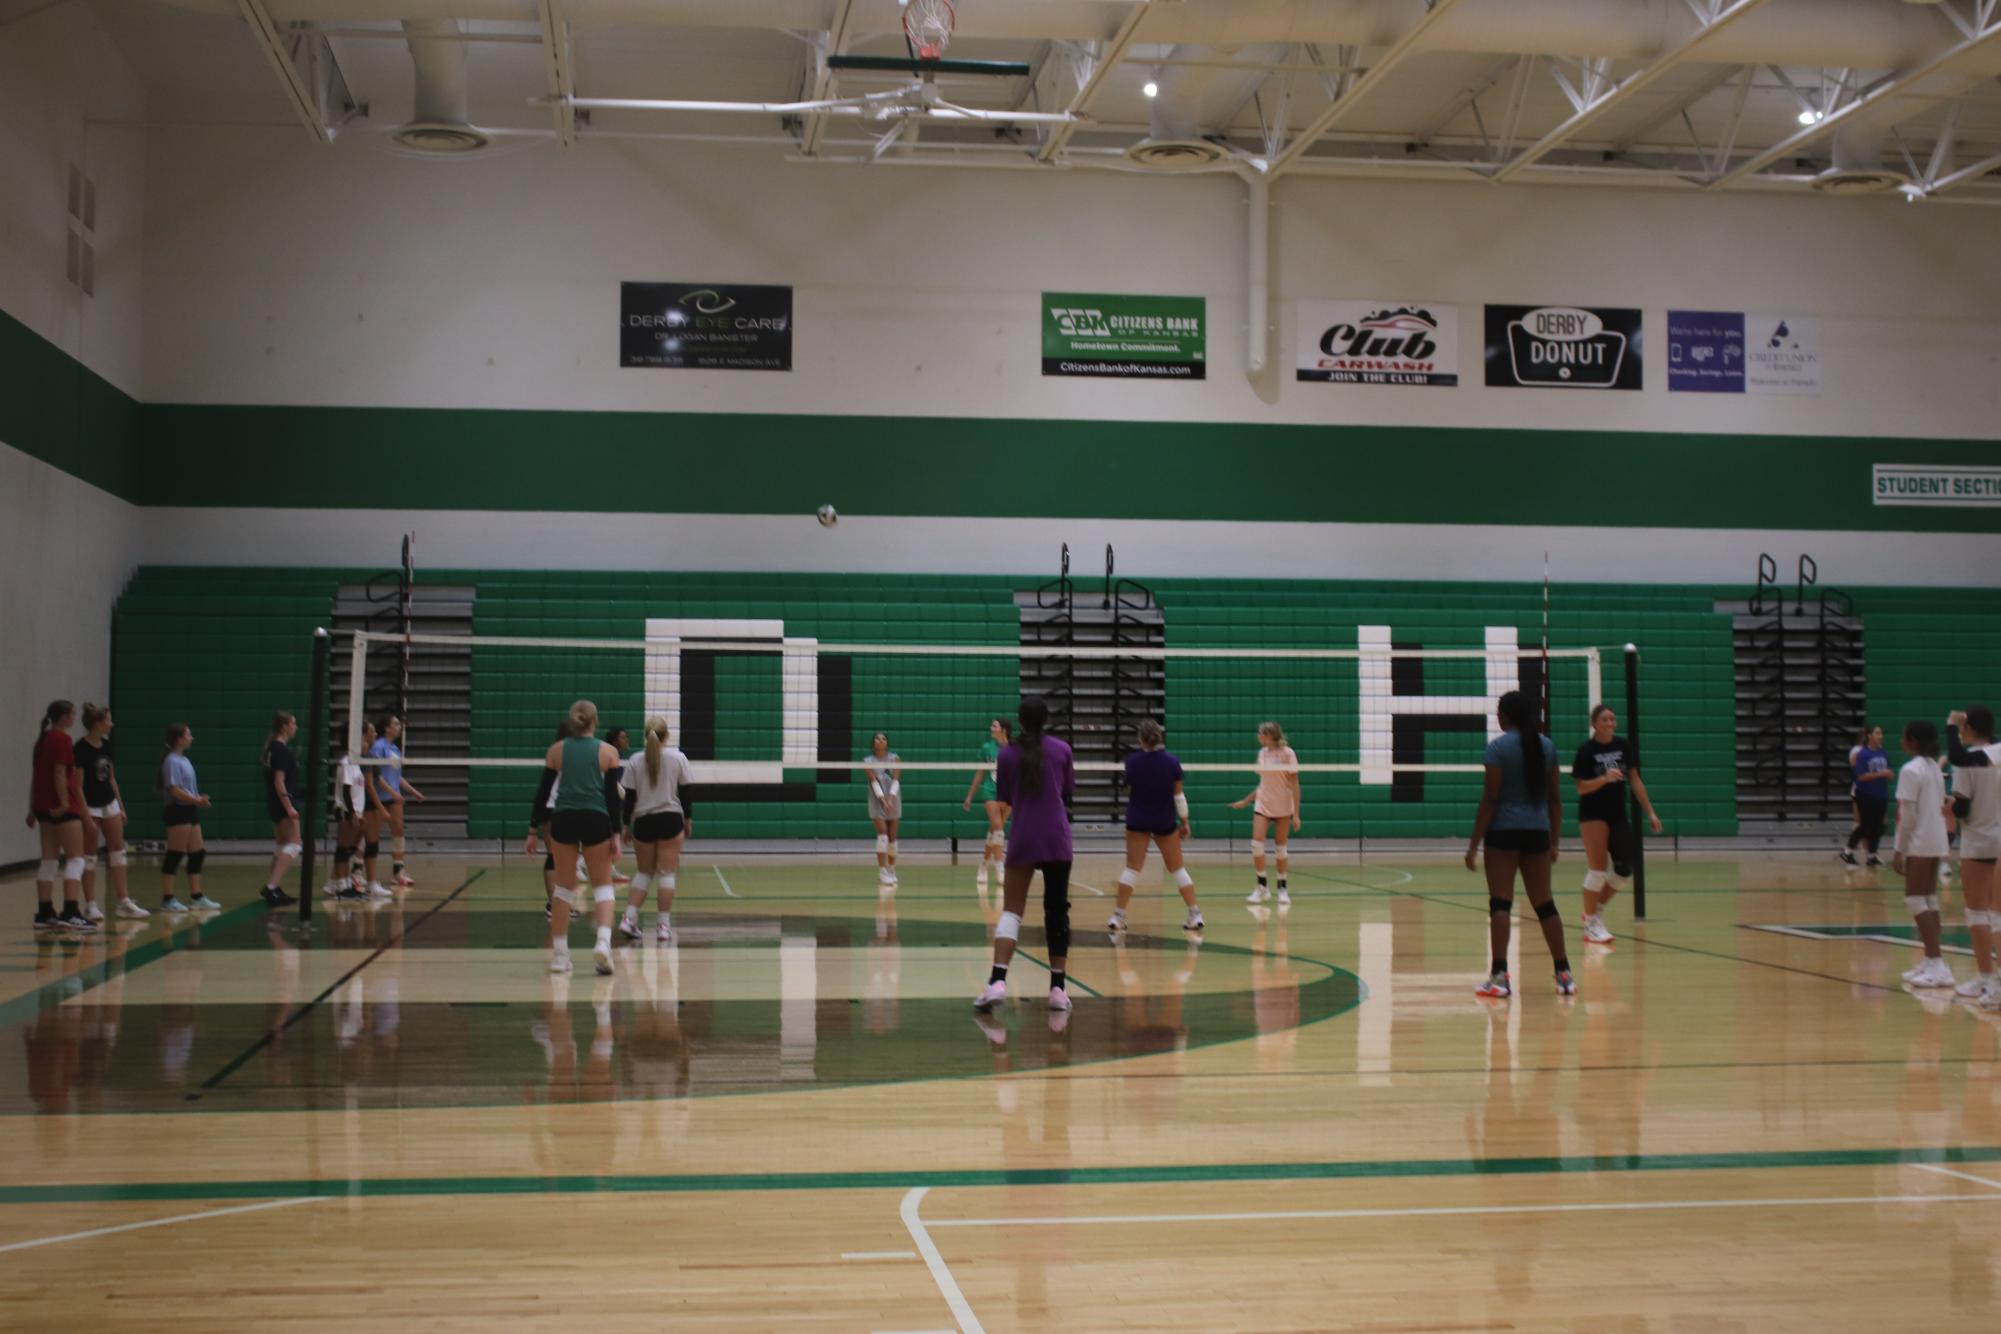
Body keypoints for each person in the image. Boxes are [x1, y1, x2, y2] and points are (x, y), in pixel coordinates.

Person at [1464, 691, 1573, 999]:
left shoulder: (1498, 748)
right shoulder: (1547, 746)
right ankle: (1564, 974)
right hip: (1537, 832)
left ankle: (1499, 977)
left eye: (1499, 712)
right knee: (1545, 904)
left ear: (1507, 716)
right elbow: (1555, 800)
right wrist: (1554, 841)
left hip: (1504, 833)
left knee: (1501, 904)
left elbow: (1491, 799)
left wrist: (1473, 845)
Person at [973, 696, 1076, 1015]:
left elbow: (1004, 796)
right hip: (1057, 837)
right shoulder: (1062, 750)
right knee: (1056, 910)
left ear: (1018, 721)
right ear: (1046, 720)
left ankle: (997, 982)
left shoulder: (1007, 754)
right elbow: (1067, 793)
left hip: (1024, 836)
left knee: (1011, 911)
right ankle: (1058, 990)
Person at [533, 700, 623, 976]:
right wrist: (616, 833)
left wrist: (530, 830)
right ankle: (603, 945)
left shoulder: (556, 751)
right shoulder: (608, 752)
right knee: (603, 887)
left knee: (563, 889)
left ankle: (560, 957)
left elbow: (543, 791)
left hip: (564, 819)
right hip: (596, 819)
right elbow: (612, 798)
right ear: (595, 721)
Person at [1571, 704, 1662, 944]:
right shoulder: (1586, 751)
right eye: (1605, 720)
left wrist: (1650, 813)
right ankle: (1591, 924)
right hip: (1593, 814)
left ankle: (1594, 909)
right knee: (1598, 869)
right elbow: (1581, 787)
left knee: (1625, 868)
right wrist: (1604, 779)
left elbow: (1635, 781)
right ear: (1594, 724)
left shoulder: (1623, 747)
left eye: (1613, 719)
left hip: (1617, 814)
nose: (1610, 723)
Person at [1110, 719, 1204, 934]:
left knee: (1132, 869)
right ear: (1159, 737)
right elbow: (1179, 796)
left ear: (1140, 738)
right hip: (1164, 820)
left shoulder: (1132, 762)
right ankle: (1195, 914)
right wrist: (1185, 822)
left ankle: (1118, 916)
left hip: (1138, 819)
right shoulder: (1172, 762)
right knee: (1177, 869)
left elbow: (1130, 787)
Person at [618, 716, 695, 943]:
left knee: (644, 873)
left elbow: (629, 799)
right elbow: (687, 794)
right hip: (671, 819)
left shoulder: (634, 760)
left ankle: (629, 918)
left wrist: (625, 826)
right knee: (667, 874)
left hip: (644, 822)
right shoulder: (679, 758)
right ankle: (663, 927)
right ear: (667, 736)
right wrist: (688, 820)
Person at [1893, 720, 1955, 991]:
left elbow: (1907, 817)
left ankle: (1938, 962)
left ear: (1913, 741)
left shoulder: (1910, 770)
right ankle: (1931, 960)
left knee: (1915, 899)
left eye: (1904, 736)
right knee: (1929, 899)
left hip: (1920, 839)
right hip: (1936, 837)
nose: (1901, 740)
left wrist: (1899, 849)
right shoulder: (1933, 768)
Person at [1946, 707, 2001, 1008]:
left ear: (1968, 729)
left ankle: (1987, 977)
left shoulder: (1969, 761)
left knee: (1979, 913)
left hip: (1979, 842)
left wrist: (1949, 806)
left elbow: (1964, 808)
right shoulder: (1998, 751)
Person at [75, 704, 146, 919]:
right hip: (90, 806)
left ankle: (123, 901)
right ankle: (90, 904)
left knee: (117, 851)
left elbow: (111, 778)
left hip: (109, 804)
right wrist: (85, 815)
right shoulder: (80, 749)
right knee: (90, 855)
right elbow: (77, 785)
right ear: (98, 723)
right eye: (108, 720)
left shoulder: (106, 746)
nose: (112, 723)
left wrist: (120, 807)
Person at [28, 700, 93, 931]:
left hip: (43, 807)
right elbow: (59, 773)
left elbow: (36, 777)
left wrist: (31, 809)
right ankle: (71, 911)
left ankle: (44, 913)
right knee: (76, 858)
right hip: (62, 808)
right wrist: (65, 803)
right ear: (65, 717)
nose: (74, 717)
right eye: (72, 713)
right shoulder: (62, 739)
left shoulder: (42, 739)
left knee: (49, 861)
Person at [1231, 722, 1298, 906]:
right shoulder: (1262, 754)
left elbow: (1295, 784)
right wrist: (1246, 800)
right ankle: (1262, 888)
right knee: (1256, 844)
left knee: (1280, 848)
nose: (1258, 736)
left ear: (1269, 735)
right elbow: (1263, 784)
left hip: (1283, 804)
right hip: (1263, 804)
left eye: (1260, 733)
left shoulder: (1288, 753)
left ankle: (1282, 889)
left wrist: (1297, 814)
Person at [158, 724, 219, 912]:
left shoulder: (183, 759)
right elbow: (173, 789)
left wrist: (199, 800)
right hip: (177, 810)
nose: (191, 737)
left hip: (189, 810)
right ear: (179, 738)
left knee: (197, 853)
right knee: (175, 854)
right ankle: (168, 899)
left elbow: (187, 787)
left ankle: (197, 896)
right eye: (188, 734)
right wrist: (195, 799)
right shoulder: (171, 761)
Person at [369, 714, 426, 886]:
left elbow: (397, 777)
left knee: (399, 831)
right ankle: (357, 870)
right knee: (370, 835)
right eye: (395, 724)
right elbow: (375, 776)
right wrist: (393, 793)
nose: (399, 727)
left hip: (394, 798)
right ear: (387, 728)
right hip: (379, 797)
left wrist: (413, 791)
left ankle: (398, 872)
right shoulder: (378, 747)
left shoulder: (395, 749)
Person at [526, 719, 572, 923]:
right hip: (564, 808)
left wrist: (533, 827)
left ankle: (557, 904)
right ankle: (556, 905)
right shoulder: (567, 752)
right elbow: (545, 788)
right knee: (559, 857)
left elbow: (543, 789)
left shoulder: (555, 751)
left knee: (558, 857)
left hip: (557, 808)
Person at [961, 719, 1011, 895]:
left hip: (1008, 793)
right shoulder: (986, 748)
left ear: (1003, 730)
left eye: (995, 726)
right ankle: (1000, 867)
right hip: (990, 791)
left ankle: (983, 864)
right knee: (998, 828)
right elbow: (980, 773)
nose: (991, 728)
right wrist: (970, 796)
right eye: (991, 725)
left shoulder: (1014, 748)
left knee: (995, 831)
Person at [258, 711, 302, 907]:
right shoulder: (281, 750)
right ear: (284, 726)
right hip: (282, 803)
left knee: (281, 845)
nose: (296, 727)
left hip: (273, 803)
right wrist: (289, 806)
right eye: (293, 724)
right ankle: (272, 886)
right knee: (295, 844)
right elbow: (279, 781)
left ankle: (275, 888)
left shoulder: (271, 749)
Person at [330, 723, 372, 902]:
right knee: (343, 849)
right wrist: (353, 813)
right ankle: (341, 886)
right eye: (362, 737)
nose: (365, 741)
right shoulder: (347, 762)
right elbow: (346, 791)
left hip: (355, 811)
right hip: (347, 811)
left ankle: (346, 884)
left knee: (350, 848)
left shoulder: (355, 763)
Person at [1840, 724, 1893, 868]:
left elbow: (1889, 771)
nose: (1880, 736)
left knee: (1879, 826)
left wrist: (1888, 775)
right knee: (1865, 825)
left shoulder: (1883, 753)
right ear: (1869, 735)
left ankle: (1872, 856)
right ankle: (1848, 851)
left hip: (1880, 794)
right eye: (1877, 733)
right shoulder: (1862, 753)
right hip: (1865, 794)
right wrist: (1882, 774)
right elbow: (1861, 776)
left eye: (1881, 733)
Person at [865, 732, 902, 887]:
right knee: (883, 836)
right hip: (876, 799)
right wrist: (883, 800)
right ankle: (882, 872)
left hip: (893, 798)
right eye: (877, 738)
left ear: (887, 743)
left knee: (892, 839)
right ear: (873, 743)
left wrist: (890, 799)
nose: (880, 740)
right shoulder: (867, 761)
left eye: (883, 738)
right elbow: (873, 782)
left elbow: (896, 779)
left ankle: (892, 869)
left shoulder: (895, 758)